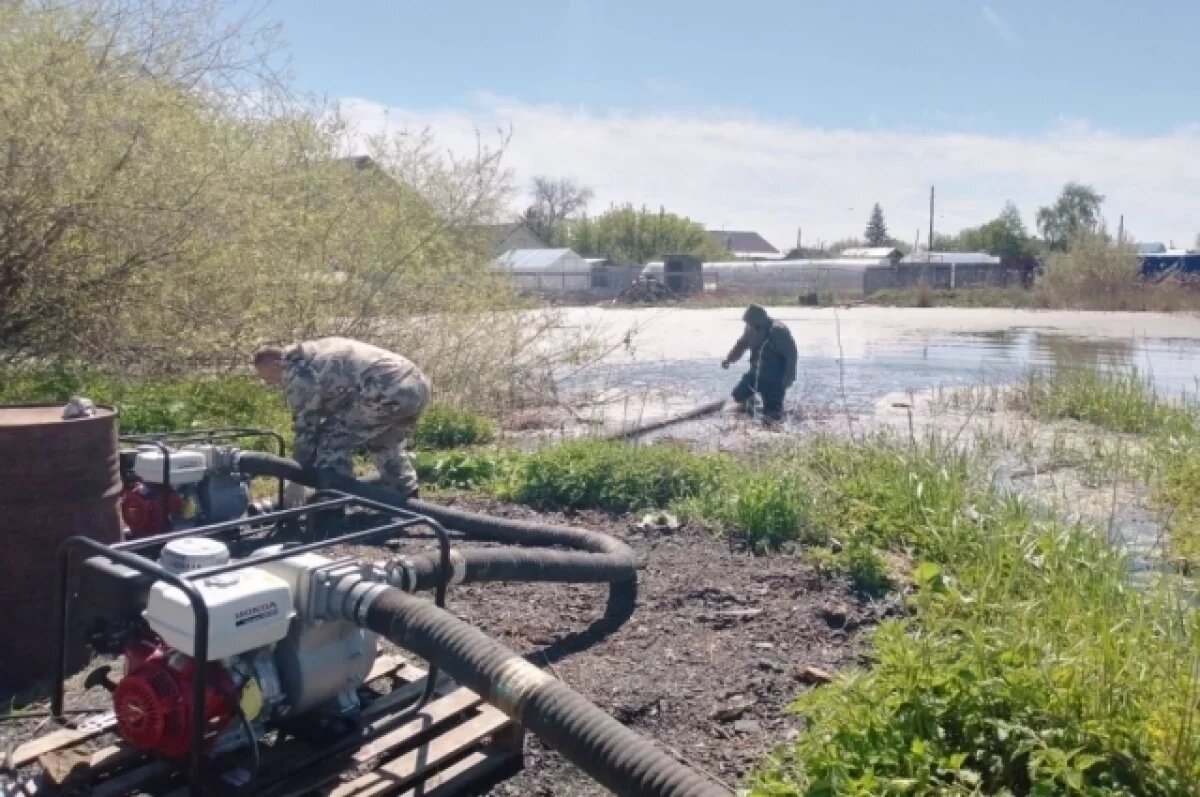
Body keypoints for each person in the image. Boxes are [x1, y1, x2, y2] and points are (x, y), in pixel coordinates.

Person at [254, 337, 431, 506]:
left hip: (386, 392)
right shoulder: (315, 350)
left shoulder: (299, 374)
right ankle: (407, 494)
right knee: (382, 441)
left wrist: (296, 479)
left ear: (276, 364)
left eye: (265, 376)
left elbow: (307, 429)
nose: (268, 383)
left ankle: (332, 507)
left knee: (331, 440)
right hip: (416, 385)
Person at [721, 304, 797, 424]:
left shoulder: (778, 331)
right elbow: (741, 345)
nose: (749, 325)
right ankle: (747, 415)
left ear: (761, 319)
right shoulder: (750, 329)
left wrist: (789, 377)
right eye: (748, 323)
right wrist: (729, 359)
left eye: (751, 322)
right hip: (755, 374)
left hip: (774, 380)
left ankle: (771, 431)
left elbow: (791, 356)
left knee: (772, 414)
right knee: (737, 397)